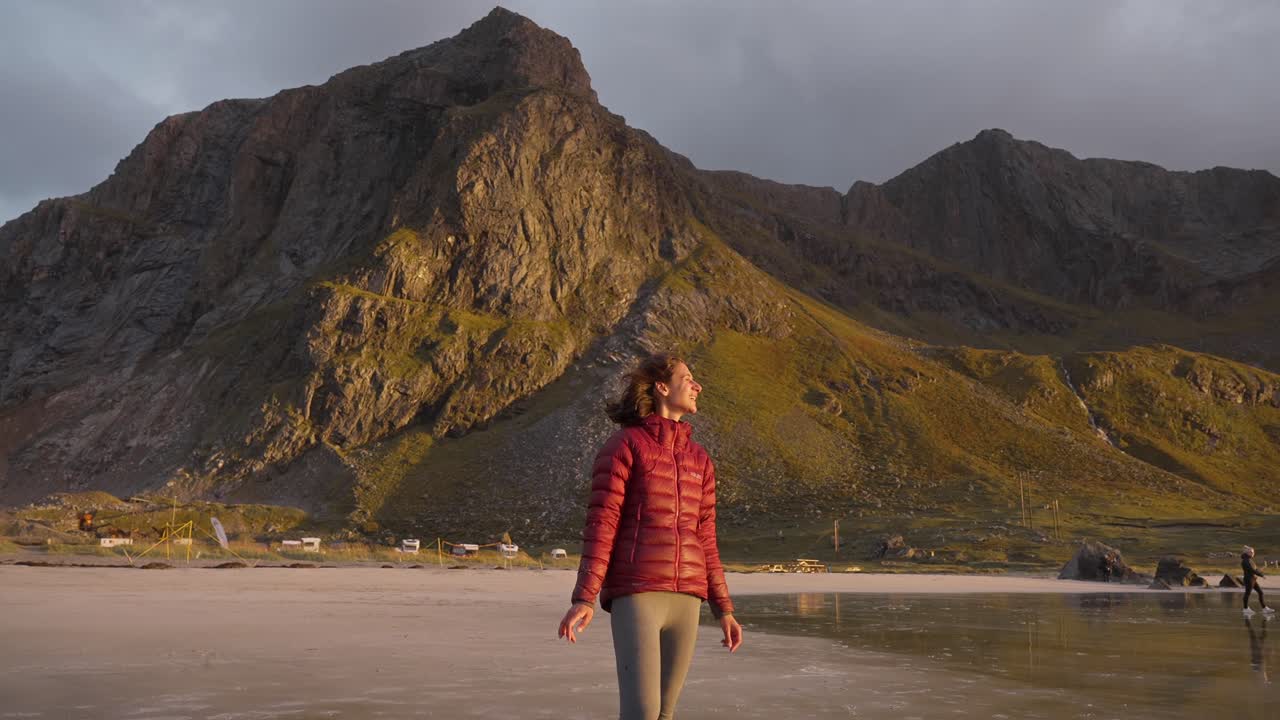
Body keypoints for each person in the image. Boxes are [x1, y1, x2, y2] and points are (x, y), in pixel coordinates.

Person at [558, 354, 743, 720]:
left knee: (665, 714)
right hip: (638, 592)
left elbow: (706, 537)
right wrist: (585, 597)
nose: (697, 386)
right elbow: (603, 524)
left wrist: (724, 609)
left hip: (687, 597)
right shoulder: (624, 446)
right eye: (687, 378)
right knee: (641, 712)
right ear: (662, 387)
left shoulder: (700, 459)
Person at [1243, 545, 1274, 614]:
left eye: (1253, 552)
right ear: (1247, 553)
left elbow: (1255, 569)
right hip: (1249, 580)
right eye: (1251, 552)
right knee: (1247, 593)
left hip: (1253, 579)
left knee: (1260, 592)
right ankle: (1245, 609)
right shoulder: (1245, 561)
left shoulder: (1250, 560)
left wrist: (1260, 570)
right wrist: (1261, 575)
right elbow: (1252, 570)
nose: (1253, 553)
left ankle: (1264, 608)